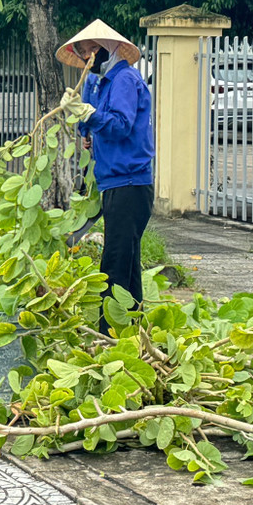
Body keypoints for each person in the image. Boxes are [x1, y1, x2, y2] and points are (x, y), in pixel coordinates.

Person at [59, 20, 155, 323]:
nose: (88, 56)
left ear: (107, 49)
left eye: (92, 50)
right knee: (127, 265)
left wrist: (90, 115)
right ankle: (134, 332)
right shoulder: (98, 82)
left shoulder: (125, 79)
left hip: (130, 183)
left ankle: (107, 335)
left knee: (114, 264)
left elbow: (119, 125)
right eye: (84, 51)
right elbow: (92, 123)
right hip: (114, 180)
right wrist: (83, 122)